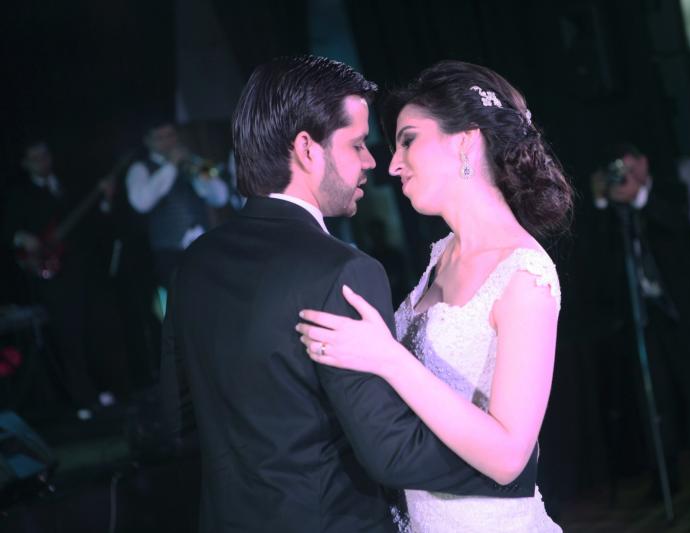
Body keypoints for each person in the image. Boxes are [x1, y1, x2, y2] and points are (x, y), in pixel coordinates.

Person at [160, 55, 539, 533]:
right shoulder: (341, 271)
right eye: (357, 144)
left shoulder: (195, 263)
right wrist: (510, 468)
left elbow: (178, 422)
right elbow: (389, 452)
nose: (372, 161)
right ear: (307, 149)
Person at [296, 60, 571, 532]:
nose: (393, 164)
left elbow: (509, 457)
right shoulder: (442, 253)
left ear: (465, 140)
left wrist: (387, 357)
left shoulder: (525, 274)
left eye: (408, 140)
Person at [586, 143, 690, 494]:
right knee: (655, 399)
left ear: (644, 164)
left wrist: (640, 197)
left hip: (681, 312)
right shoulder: (614, 210)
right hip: (643, 317)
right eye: (619, 172)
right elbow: (599, 257)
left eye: (630, 169)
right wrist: (601, 202)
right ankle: (665, 476)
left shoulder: (670, 191)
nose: (625, 178)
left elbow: (679, 227)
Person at [2, 141, 113, 416]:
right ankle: (83, 399)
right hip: (53, 276)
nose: (42, 161)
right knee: (68, 336)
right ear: (25, 163)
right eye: (35, 157)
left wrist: (106, 200)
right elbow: (8, 230)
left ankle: (105, 389)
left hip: (84, 268)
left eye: (44, 155)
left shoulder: (68, 186)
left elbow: (96, 223)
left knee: (95, 329)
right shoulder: (19, 195)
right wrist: (21, 238)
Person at [125, 120, 229, 288]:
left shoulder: (194, 161)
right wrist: (171, 165)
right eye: (160, 137)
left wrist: (196, 166)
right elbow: (141, 203)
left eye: (171, 135)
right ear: (148, 141)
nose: (168, 142)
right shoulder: (139, 168)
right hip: (170, 254)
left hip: (205, 248)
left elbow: (221, 196)